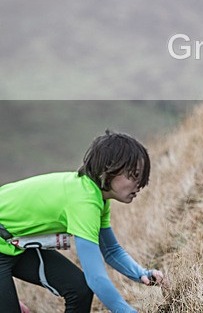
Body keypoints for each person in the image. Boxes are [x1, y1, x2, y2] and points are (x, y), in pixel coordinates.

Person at [0, 130, 165, 313]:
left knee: (79, 289)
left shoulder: (96, 197)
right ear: (109, 170)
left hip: (11, 243)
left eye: (142, 177)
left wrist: (140, 273)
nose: (140, 184)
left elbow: (111, 250)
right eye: (134, 175)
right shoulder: (84, 201)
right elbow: (96, 278)